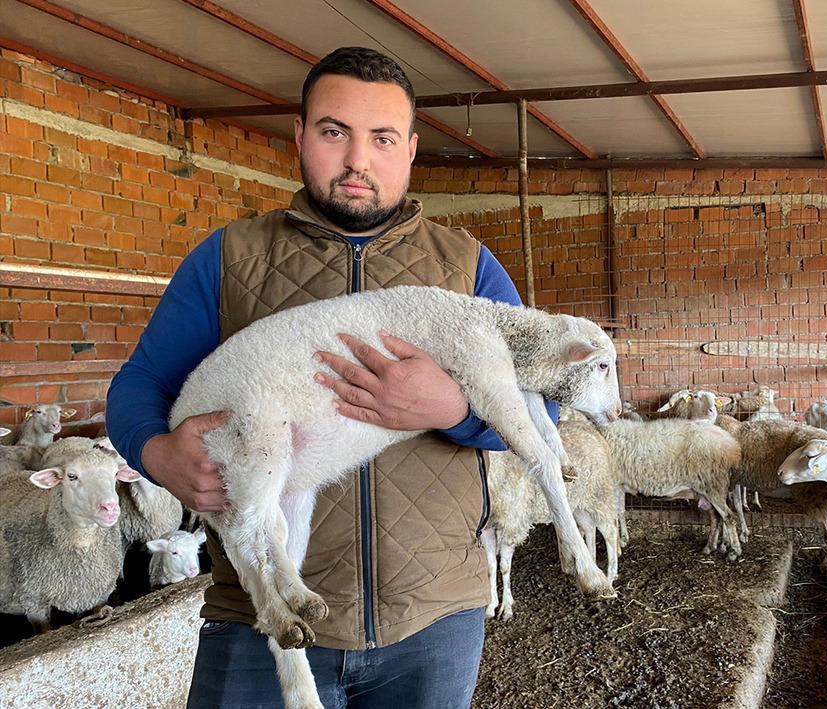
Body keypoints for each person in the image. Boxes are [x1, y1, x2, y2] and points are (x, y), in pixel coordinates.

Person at [107, 46, 555, 709]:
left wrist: (451, 406)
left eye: (380, 138)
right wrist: (156, 451)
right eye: (333, 132)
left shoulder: (467, 268)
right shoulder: (230, 259)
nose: (357, 161)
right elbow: (139, 384)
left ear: (409, 148)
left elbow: (535, 406)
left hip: (431, 618)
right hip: (256, 619)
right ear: (300, 136)